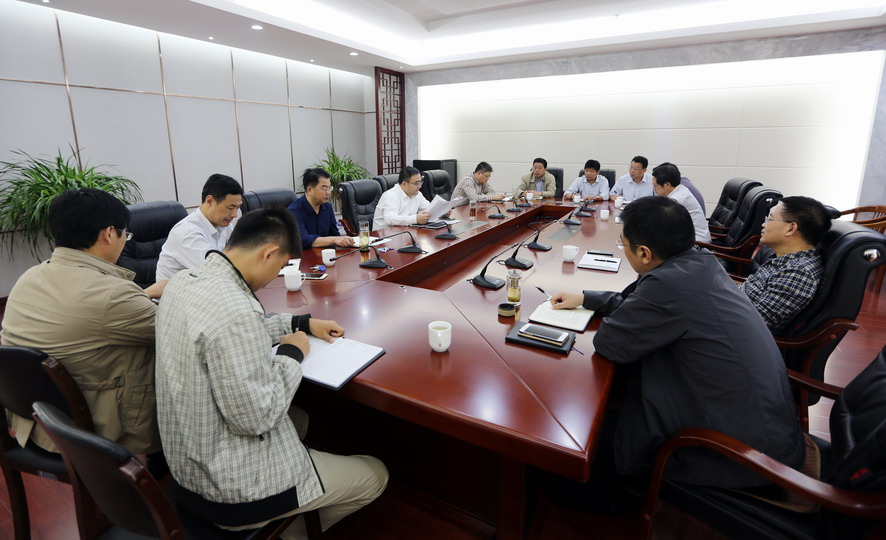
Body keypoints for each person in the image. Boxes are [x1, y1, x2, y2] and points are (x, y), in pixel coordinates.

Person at [155, 208, 388, 538]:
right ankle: (288, 533)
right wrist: (292, 354)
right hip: (226, 489)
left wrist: (301, 323)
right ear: (268, 253)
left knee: (300, 419)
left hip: (187, 464)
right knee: (375, 475)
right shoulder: (235, 309)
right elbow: (258, 417)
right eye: (279, 267)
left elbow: (238, 331)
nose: (274, 277)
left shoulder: (184, 282)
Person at [550, 197, 803, 488]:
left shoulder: (669, 284)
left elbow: (611, 344)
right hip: (762, 432)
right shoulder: (701, 262)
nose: (624, 250)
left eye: (623, 245)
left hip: (735, 456)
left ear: (644, 253)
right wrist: (586, 298)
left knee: (580, 437)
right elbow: (644, 305)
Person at [1, 188, 164, 456]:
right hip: (92, 437)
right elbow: (180, 330)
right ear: (109, 233)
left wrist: (144, 295)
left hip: (35, 423)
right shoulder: (112, 295)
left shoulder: (29, 277)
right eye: (125, 235)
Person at [739, 196, 831, 334]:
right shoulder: (784, 260)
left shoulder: (797, 273)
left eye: (770, 219)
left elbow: (750, 326)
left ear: (790, 228)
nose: (763, 224)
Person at [156, 173, 243, 280]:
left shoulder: (225, 225)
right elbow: (216, 273)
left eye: (237, 208)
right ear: (210, 201)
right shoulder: (187, 233)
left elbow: (238, 255)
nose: (234, 214)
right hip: (179, 290)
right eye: (230, 207)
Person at [287, 168, 354, 249]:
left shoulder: (327, 207)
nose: (328, 192)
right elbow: (303, 240)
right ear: (309, 190)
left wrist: (344, 240)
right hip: (305, 255)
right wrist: (334, 240)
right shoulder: (294, 211)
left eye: (330, 188)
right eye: (324, 189)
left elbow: (334, 234)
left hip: (326, 254)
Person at [651, 162, 711, 242]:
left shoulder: (677, 200)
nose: (653, 188)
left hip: (697, 243)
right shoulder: (680, 189)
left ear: (667, 185)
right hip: (689, 238)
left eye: (655, 185)